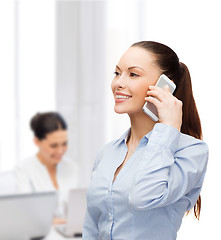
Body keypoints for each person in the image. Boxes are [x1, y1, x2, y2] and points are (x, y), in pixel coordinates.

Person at [83, 41, 209, 240]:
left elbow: (143, 197)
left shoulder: (191, 151)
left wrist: (168, 127)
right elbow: (91, 226)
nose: (118, 83)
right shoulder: (106, 153)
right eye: (117, 73)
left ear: (166, 86)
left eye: (133, 74)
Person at [15, 112, 78, 223]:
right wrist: (58, 222)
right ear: (37, 142)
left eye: (64, 144)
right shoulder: (23, 170)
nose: (60, 151)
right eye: (53, 145)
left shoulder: (72, 167)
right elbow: (25, 215)